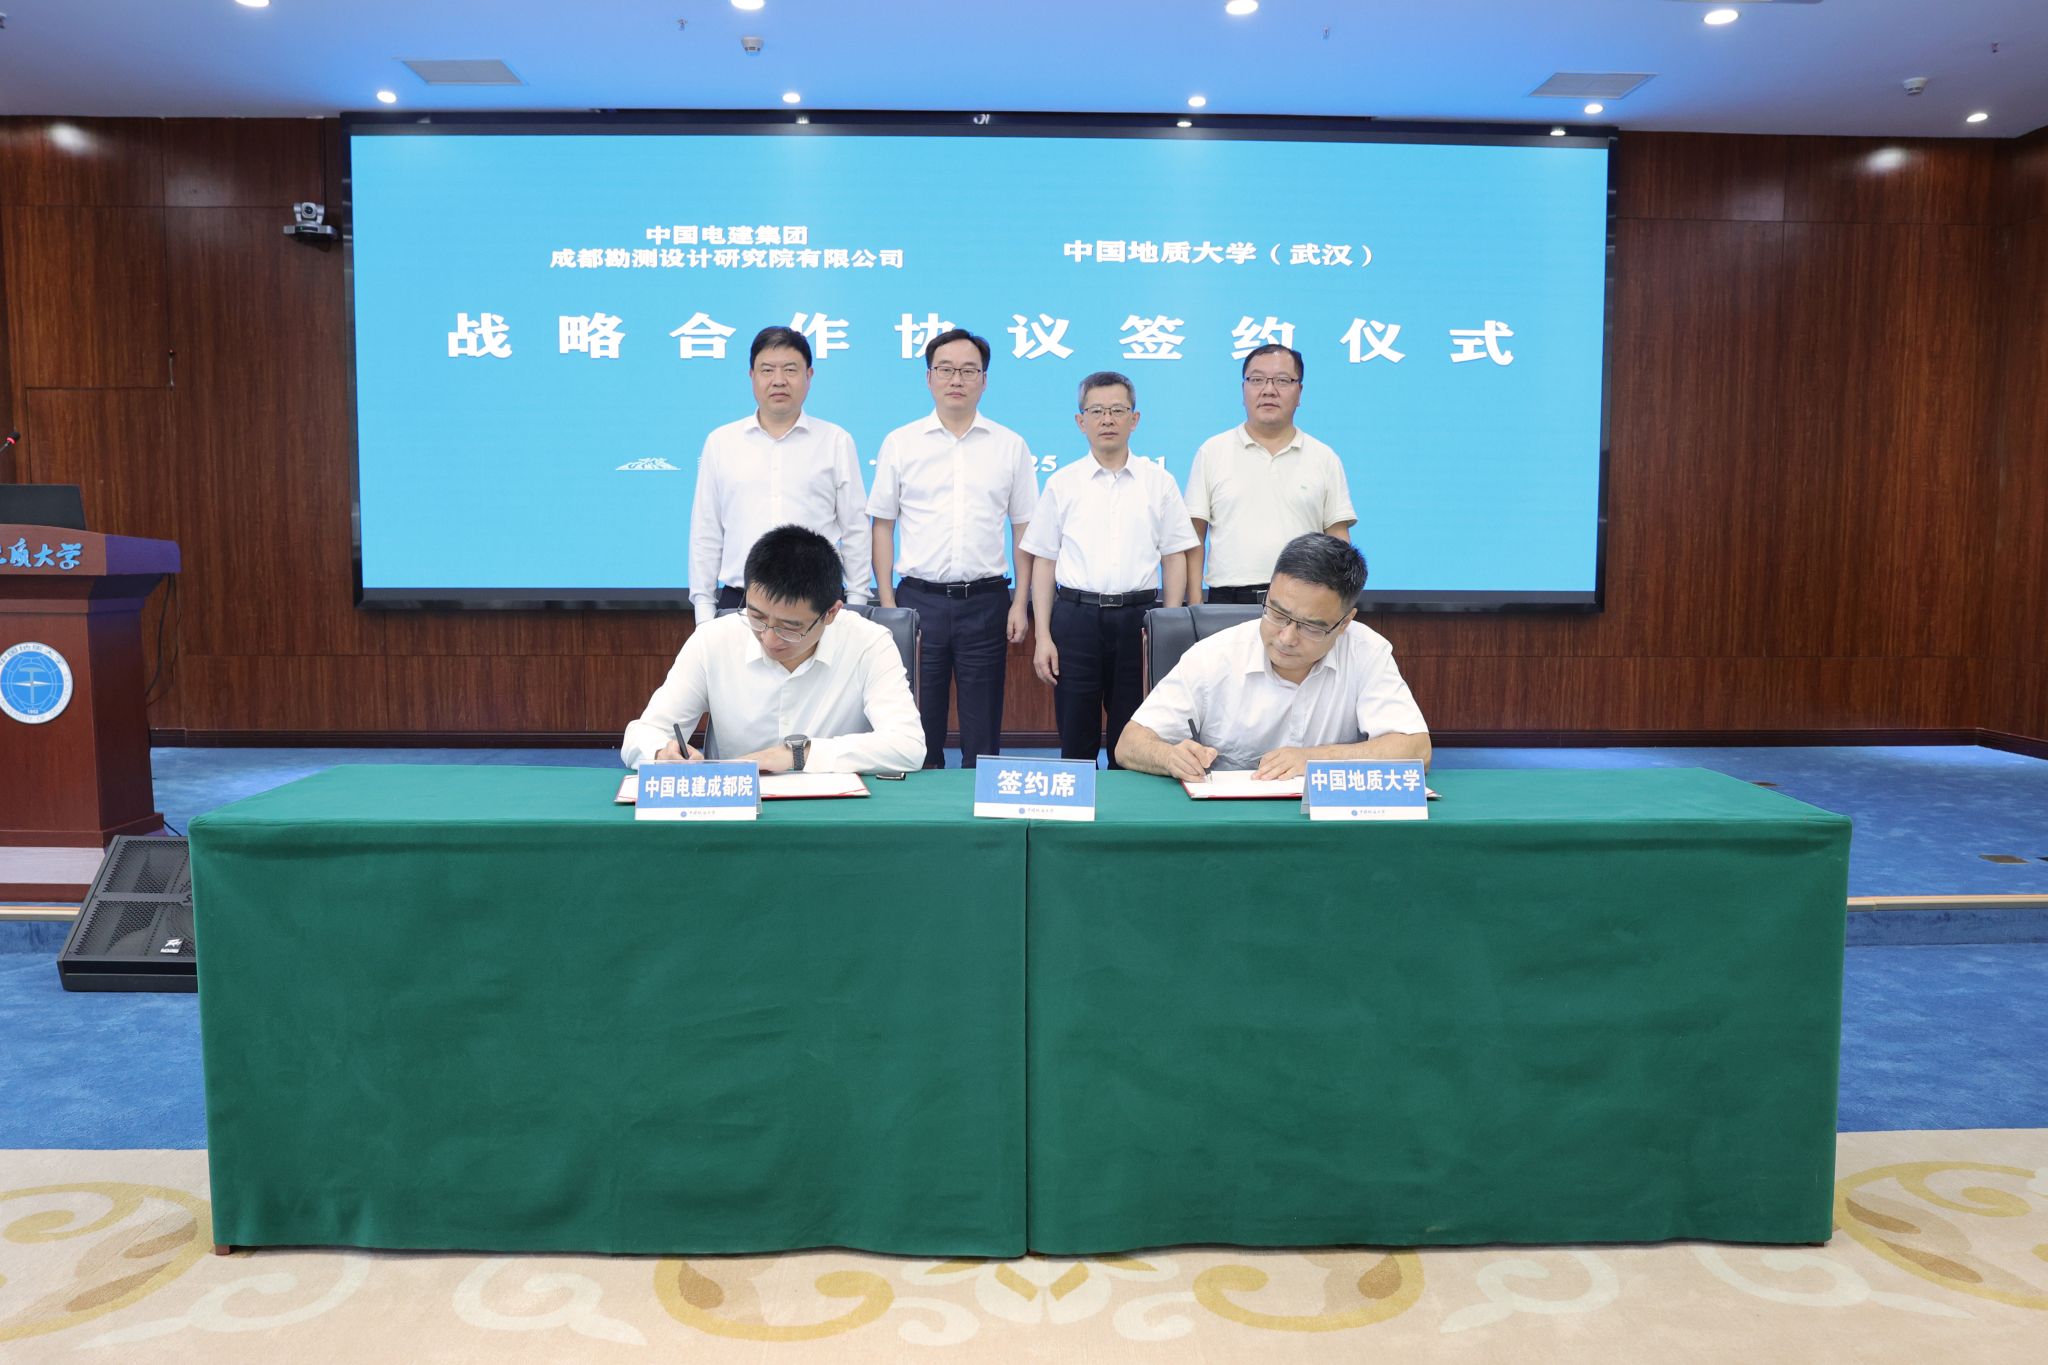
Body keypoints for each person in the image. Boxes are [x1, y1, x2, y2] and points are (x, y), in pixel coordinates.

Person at [1116, 532, 1428, 780]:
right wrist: (1170, 757)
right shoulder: (1215, 655)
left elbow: (1416, 749)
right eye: (1277, 614)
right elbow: (1130, 743)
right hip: (1232, 822)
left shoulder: (1367, 652)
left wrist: (1314, 759)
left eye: (1310, 627)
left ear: (1345, 623)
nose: (1286, 638)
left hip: (1328, 823)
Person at [624, 524, 924, 774]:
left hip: (833, 814)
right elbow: (642, 733)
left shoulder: (869, 644)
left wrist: (798, 755)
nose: (768, 638)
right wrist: (661, 753)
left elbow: (907, 746)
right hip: (736, 812)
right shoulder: (712, 640)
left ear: (831, 613)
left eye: (789, 627)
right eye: (757, 617)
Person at [869, 328, 1038, 768]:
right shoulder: (901, 443)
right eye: (945, 369)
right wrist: (888, 604)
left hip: (985, 602)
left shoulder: (1010, 446)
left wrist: (1020, 602)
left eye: (968, 370)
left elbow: (1024, 530)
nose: (956, 379)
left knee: (983, 730)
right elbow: (882, 526)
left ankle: (980, 809)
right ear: (929, 378)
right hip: (917, 601)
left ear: (984, 380)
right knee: (916, 728)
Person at [1020, 371, 1198, 767]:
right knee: (1075, 738)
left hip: (1139, 620)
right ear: (1080, 421)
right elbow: (1044, 562)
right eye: (1096, 411)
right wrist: (1043, 636)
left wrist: (1167, 625)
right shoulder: (1063, 483)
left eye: (1118, 410)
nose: (1107, 420)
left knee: (1133, 738)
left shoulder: (1159, 482)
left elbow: (1174, 556)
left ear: (1135, 419)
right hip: (1075, 620)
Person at [688, 325, 872, 627]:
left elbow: (856, 530)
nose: (778, 380)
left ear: (809, 376)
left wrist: (856, 606)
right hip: (740, 603)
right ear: (752, 376)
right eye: (767, 370)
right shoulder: (721, 442)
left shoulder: (836, 441)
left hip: (817, 604)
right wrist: (704, 612)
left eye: (790, 369)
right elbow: (706, 532)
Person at [1183, 343, 1356, 604]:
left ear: (1300, 392)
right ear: (1243, 390)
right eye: (1257, 380)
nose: (1268, 390)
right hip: (1228, 600)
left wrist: (1339, 605)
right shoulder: (1212, 452)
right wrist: (1195, 605)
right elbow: (1196, 535)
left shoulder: (1324, 457)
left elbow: (1338, 539)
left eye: (1282, 381)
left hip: (1303, 601)